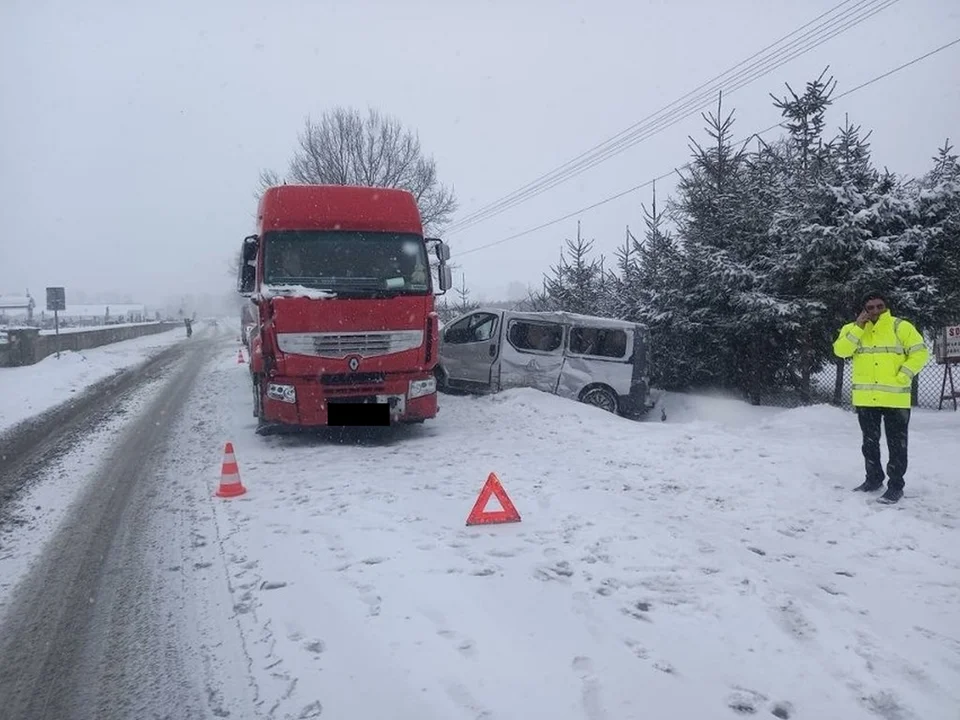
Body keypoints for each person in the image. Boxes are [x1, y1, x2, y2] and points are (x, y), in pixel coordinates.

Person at [833, 291, 929, 504]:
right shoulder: (852, 329)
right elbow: (841, 351)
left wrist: (904, 375)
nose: (875, 310)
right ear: (863, 310)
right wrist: (858, 327)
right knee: (869, 443)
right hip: (866, 399)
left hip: (895, 399)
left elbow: (920, 352)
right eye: (870, 307)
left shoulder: (900, 327)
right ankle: (873, 479)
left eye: (879, 306)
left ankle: (895, 486)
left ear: (886, 306)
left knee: (897, 445)